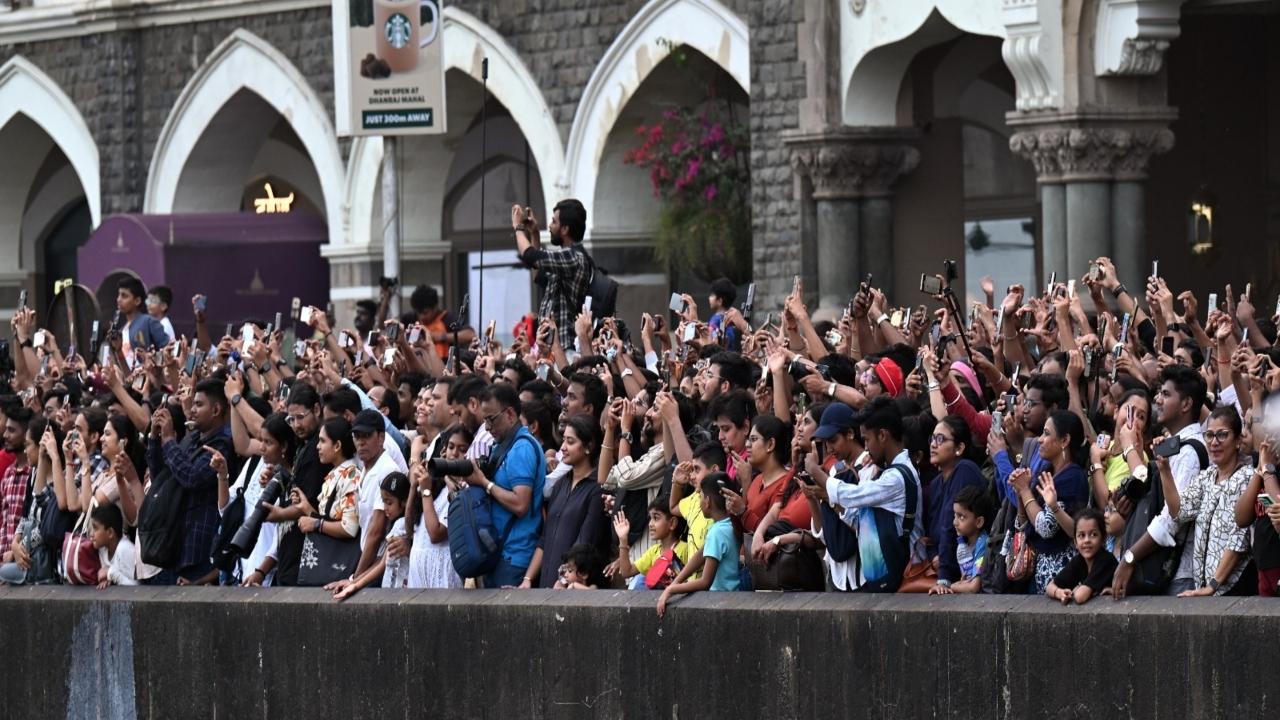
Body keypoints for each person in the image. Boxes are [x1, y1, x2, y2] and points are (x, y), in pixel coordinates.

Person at [800, 396, 924, 592]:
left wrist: (816, 472)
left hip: (904, 577)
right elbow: (858, 520)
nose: (865, 448)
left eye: (866, 439)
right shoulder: (885, 470)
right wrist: (828, 499)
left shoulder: (896, 478)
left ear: (883, 436)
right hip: (886, 580)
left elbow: (853, 495)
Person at [1112, 365, 1208, 598]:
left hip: (1178, 575)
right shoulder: (1173, 445)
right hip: (1162, 570)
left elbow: (1171, 519)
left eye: (1166, 394)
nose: (1158, 400)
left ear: (1186, 404)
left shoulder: (1190, 452)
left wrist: (1129, 558)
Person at [146, 378, 236, 584]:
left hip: (199, 553)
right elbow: (161, 478)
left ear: (216, 410)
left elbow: (191, 477)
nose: (192, 410)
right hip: (176, 547)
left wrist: (169, 439)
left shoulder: (223, 444)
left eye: (199, 404)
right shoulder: (193, 439)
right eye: (193, 403)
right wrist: (154, 438)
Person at [457, 383, 545, 588]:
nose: (487, 428)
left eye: (491, 419)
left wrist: (484, 483)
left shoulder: (522, 447)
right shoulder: (502, 445)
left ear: (511, 414)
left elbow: (521, 505)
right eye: (484, 420)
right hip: (498, 553)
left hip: (513, 557)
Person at [1160, 406, 1254, 597]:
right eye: (1209, 435)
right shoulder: (1207, 477)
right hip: (1204, 591)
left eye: (1222, 435)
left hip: (1233, 589)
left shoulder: (1247, 478)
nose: (1214, 443)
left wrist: (1212, 586)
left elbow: (1239, 539)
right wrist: (1165, 470)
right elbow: (1178, 511)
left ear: (1237, 440)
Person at [1009, 410, 1090, 593]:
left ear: (1064, 441)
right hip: (1037, 572)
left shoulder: (1073, 477)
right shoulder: (1047, 472)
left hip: (1060, 575)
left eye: (1046, 434)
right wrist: (1021, 493)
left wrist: (1025, 490)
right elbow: (1022, 525)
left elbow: (1046, 527)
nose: (1039, 440)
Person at [523, 414, 607, 588]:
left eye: (570, 442)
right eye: (563, 441)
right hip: (548, 584)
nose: (563, 447)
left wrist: (563, 580)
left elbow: (585, 542)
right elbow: (545, 539)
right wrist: (528, 579)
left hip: (571, 589)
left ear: (588, 446)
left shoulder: (597, 488)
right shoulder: (560, 484)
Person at [227, 412, 297, 588]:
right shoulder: (272, 474)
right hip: (251, 569)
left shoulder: (297, 479)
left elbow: (281, 534)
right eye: (261, 441)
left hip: (279, 574)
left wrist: (261, 571)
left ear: (284, 446)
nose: (262, 448)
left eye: (269, 442)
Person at [512, 199, 593, 351]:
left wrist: (518, 228)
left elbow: (530, 256)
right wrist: (534, 234)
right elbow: (539, 275)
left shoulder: (573, 258)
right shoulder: (566, 258)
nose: (549, 226)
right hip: (553, 351)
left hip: (564, 349)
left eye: (554, 222)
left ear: (564, 229)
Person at [657, 473, 741, 616]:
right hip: (733, 596)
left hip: (720, 601)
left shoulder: (717, 532)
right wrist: (674, 583)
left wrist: (671, 590)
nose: (699, 501)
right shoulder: (729, 525)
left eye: (700, 496)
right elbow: (699, 556)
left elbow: (705, 582)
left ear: (707, 501)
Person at [289, 417, 361, 586]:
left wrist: (315, 524)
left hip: (339, 567)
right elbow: (326, 518)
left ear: (337, 446)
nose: (317, 446)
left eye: (322, 441)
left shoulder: (351, 476)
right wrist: (306, 507)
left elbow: (349, 528)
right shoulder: (337, 474)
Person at [923, 415, 988, 591]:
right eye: (932, 438)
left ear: (959, 448)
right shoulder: (936, 483)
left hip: (973, 574)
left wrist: (943, 577)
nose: (933, 444)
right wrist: (934, 556)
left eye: (941, 439)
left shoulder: (965, 469)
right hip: (946, 571)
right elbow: (931, 533)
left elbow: (949, 525)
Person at [331, 472, 413, 600]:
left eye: (389, 503)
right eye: (383, 502)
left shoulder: (401, 526)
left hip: (397, 592)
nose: (385, 508)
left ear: (403, 502)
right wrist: (354, 582)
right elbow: (382, 561)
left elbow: (381, 566)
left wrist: (355, 585)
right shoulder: (398, 524)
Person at [406, 425, 465, 589]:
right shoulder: (434, 485)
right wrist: (414, 486)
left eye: (462, 449)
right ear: (443, 452)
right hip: (418, 569)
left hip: (443, 570)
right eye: (451, 447)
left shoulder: (462, 492)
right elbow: (409, 529)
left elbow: (435, 533)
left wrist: (425, 490)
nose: (454, 453)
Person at [351, 408, 407, 575]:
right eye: (357, 436)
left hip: (380, 563)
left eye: (367, 436)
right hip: (368, 559)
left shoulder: (386, 470)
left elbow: (376, 533)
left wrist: (356, 579)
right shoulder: (366, 468)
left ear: (381, 438)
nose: (361, 442)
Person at [611, 496, 690, 590]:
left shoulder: (686, 549)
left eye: (656, 518)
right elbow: (626, 572)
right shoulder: (654, 551)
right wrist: (623, 539)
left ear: (672, 523)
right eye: (650, 518)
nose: (650, 524)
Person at [1045, 507, 1116, 605]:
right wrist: (1059, 593)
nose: (1087, 540)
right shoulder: (1079, 561)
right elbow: (1049, 586)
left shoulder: (1106, 560)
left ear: (1103, 539)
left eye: (1094, 534)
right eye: (1081, 535)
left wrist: (1077, 588)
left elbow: (1080, 597)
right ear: (1075, 542)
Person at [929, 485, 990, 594]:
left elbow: (973, 587)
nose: (955, 522)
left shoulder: (982, 544)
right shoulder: (964, 542)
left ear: (979, 522)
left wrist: (952, 587)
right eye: (955, 516)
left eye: (961, 517)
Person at [409, 284, 474, 360]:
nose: (422, 317)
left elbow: (470, 334)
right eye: (418, 313)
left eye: (425, 313)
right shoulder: (411, 319)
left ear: (435, 307)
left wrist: (438, 337)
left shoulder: (447, 318)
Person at [116, 276, 168, 357]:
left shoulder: (148, 321)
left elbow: (167, 350)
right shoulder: (121, 330)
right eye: (118, 295)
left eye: (124, 296)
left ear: (137, 301)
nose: (119, 299)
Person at [90, 503, 137, 588]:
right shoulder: (103, 549)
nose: (91, 534)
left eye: (95, 528)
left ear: (110, 533)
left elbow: (138, 587)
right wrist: (107, 579)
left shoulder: (125, 549)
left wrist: (111, 573)